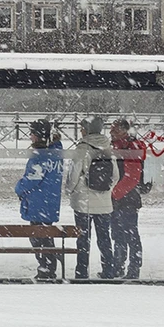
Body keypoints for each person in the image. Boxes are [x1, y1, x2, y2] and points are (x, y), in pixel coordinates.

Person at [64, 116, 120, 280]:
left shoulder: (82, 149)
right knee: (104, 239)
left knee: (83, 240)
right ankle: (108, 271)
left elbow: (73, 176)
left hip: (83, 203)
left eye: (82, 128)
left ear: (87, 130)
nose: (80, 130)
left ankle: (82, 272)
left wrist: (71, 191)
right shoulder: (108, 148)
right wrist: (106, 190)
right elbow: (115, 176)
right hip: (104, 204)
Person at [15, 119, 64, 281]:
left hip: (38, 204)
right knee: (46, 237)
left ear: (38, 136)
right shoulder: (56, 153)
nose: (30, 137)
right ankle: (49, 267)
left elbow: (32, 178)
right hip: (50, 202)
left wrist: (19, 188)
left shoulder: (40, 156)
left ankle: (46, 269)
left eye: (32, 134)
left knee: (38, 238)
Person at [110, 118, 145, 280]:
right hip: (121, 198)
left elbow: (132, 177)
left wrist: (114, 194)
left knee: (130, 234)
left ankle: (133, 268)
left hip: (127, 198)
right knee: (118, 233)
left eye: (114, 130)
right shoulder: (118, 147)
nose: (111, 133)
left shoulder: (131, 147)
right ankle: (119, 266)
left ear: (124, 131)